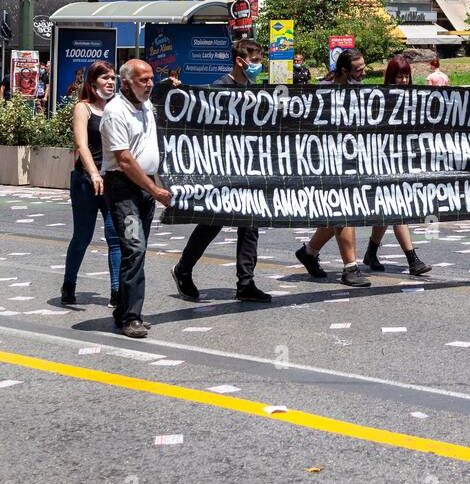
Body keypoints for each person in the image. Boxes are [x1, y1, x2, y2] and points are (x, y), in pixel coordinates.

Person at [172, 39, 271, 304]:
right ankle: (183, 268)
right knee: (213, 221)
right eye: (255, 61)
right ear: (240, 61)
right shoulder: (220, 88)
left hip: (248, 168)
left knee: (250, 224)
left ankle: (246, 283)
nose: (258, 66)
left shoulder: (255, 90)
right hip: (223, 168)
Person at [101, 59, 171, 338]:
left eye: (151, 78)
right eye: (143, 80)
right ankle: (131, 317)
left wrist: (156, 185)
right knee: (133, 248)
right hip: (123, 188)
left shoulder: (147, 107)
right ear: (126, 83)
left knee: (138, 250)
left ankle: (124, 311)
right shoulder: (115, 111)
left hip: (145, 187)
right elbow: (125, 160)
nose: (149, 84)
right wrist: (155, 190)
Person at [294, 46, 370, 287]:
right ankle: (350, 268)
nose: (364, 73)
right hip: (326, 163)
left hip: (350, 160)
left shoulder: (360, 91)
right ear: (345, 71)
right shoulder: (322, 92)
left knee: (335, 214)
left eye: (364, 67)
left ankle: (309, 252)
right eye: (358, 70)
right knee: (343, 210)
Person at [362, 56, 431, 276]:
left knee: (387, 210)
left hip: (402, 162)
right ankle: (413, 260)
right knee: (396, 209)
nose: (402, 80)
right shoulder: (378, 100)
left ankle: (371, 252)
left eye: (406, 76)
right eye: (398, 76)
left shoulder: (415, 98)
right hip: (383, 162)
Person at [61, 60, 122, 307]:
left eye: (113, 77)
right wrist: (94, 173)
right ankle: (69, 284)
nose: (110, 81)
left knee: (115, 237)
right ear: (92, 81)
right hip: (86, 180)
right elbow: (82, 145)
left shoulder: (118, 108)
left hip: (112, 182)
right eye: (105, 77)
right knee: (82, 237)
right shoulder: (83, 108)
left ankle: (117, 292)